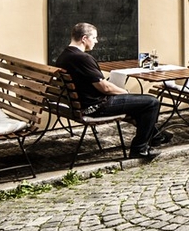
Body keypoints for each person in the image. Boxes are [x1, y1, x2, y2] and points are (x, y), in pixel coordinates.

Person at [55, 22, 166, 161]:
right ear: (84, 38)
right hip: (95, 106)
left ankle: (157, 136)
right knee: (152, 102)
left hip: (81, 104)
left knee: (139, 105)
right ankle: (139, 149)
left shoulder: (64, 55)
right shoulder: (82, 58)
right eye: (94, 38)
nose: (96, 41)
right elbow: (105, 88)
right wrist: (125, 92)